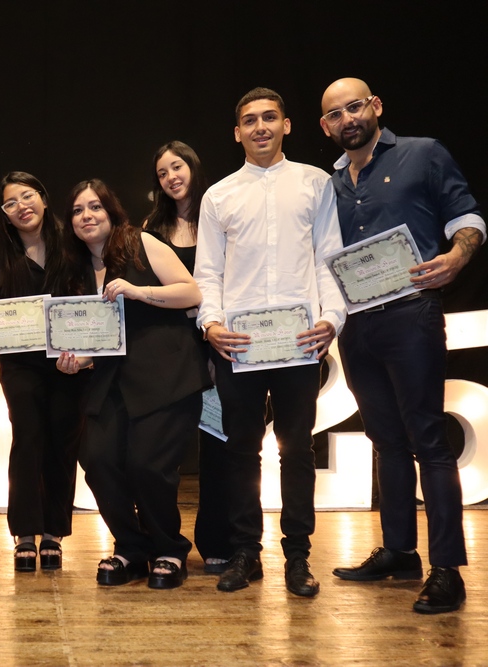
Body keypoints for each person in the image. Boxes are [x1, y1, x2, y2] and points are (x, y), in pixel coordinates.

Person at [319, 77, 485, 614]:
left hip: (412, 317)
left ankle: (447, 569)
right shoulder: (329, 184)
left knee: (429, 442)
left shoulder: (423, 153)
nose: (347, 119)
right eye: (335, 114)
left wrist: (458, 256)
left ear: (376, 106)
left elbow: (467, 216)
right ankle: (399, 551)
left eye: (355, 106)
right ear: (324, 126)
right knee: (386, 442)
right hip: (357, 327)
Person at [194, 87, 346, 598]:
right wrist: (211, 324)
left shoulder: (315, 183)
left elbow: (328, 257)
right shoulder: (219, 195)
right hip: (238, 344)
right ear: (237, 132)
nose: (260, 127)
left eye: (269, 117)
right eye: (250, 120)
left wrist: (332, 318)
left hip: (301, 342)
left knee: (297, 449)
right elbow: (208, 271)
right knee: (241, 450)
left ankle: (298, 556)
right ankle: (245, 552)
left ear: (286, 125)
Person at [58, 179, 209, 589]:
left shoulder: (141, 243)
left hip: (166, 375)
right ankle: (131, 547)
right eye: (77, 210)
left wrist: (139, 292)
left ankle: (168, 549)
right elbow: (101, 336)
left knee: (148, 465)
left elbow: (191, 292)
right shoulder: (76, 269)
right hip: (112, 381)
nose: (87, 216)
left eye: (95, 207)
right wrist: (77, 362)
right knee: (98, 460)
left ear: (111, 211)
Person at [0, 171, 86, 572]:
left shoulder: (74, 248)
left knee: (63, 441)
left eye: (27, 196)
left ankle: (54, 532)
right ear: (4, 214)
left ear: (44, 199)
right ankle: (26, 533)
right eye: (11, 202)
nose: (21, 206)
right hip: (19, 366)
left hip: (70, 364)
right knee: (28, 439)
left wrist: (85, 354)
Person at [142, 141, 233, 574]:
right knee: (163, 451)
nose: (171, 178)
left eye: (176, 167)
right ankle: (162, 540)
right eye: (162, 173)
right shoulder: (152, 227)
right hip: (173, 348)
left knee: (220, 445)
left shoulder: (219, 214)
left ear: (193, 167)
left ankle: (218, 540)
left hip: (220, 340)